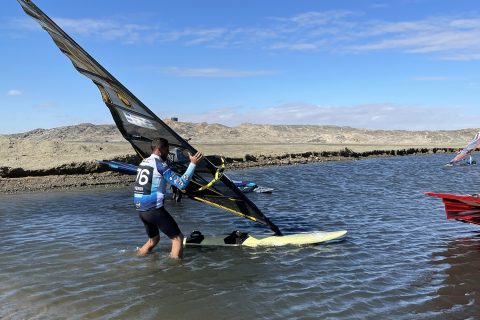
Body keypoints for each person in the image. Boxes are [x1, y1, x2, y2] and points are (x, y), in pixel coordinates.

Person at [134, 138, 203, 259]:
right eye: (167, 150)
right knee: (178, 239)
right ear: (160, 150)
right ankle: (176, 271)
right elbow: (181, 184)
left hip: (141, 210)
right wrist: (193, 164)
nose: (168, 153)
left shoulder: (143, 162)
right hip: (153, 209)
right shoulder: (160, 165)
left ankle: (136, 258)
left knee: (153, 240)